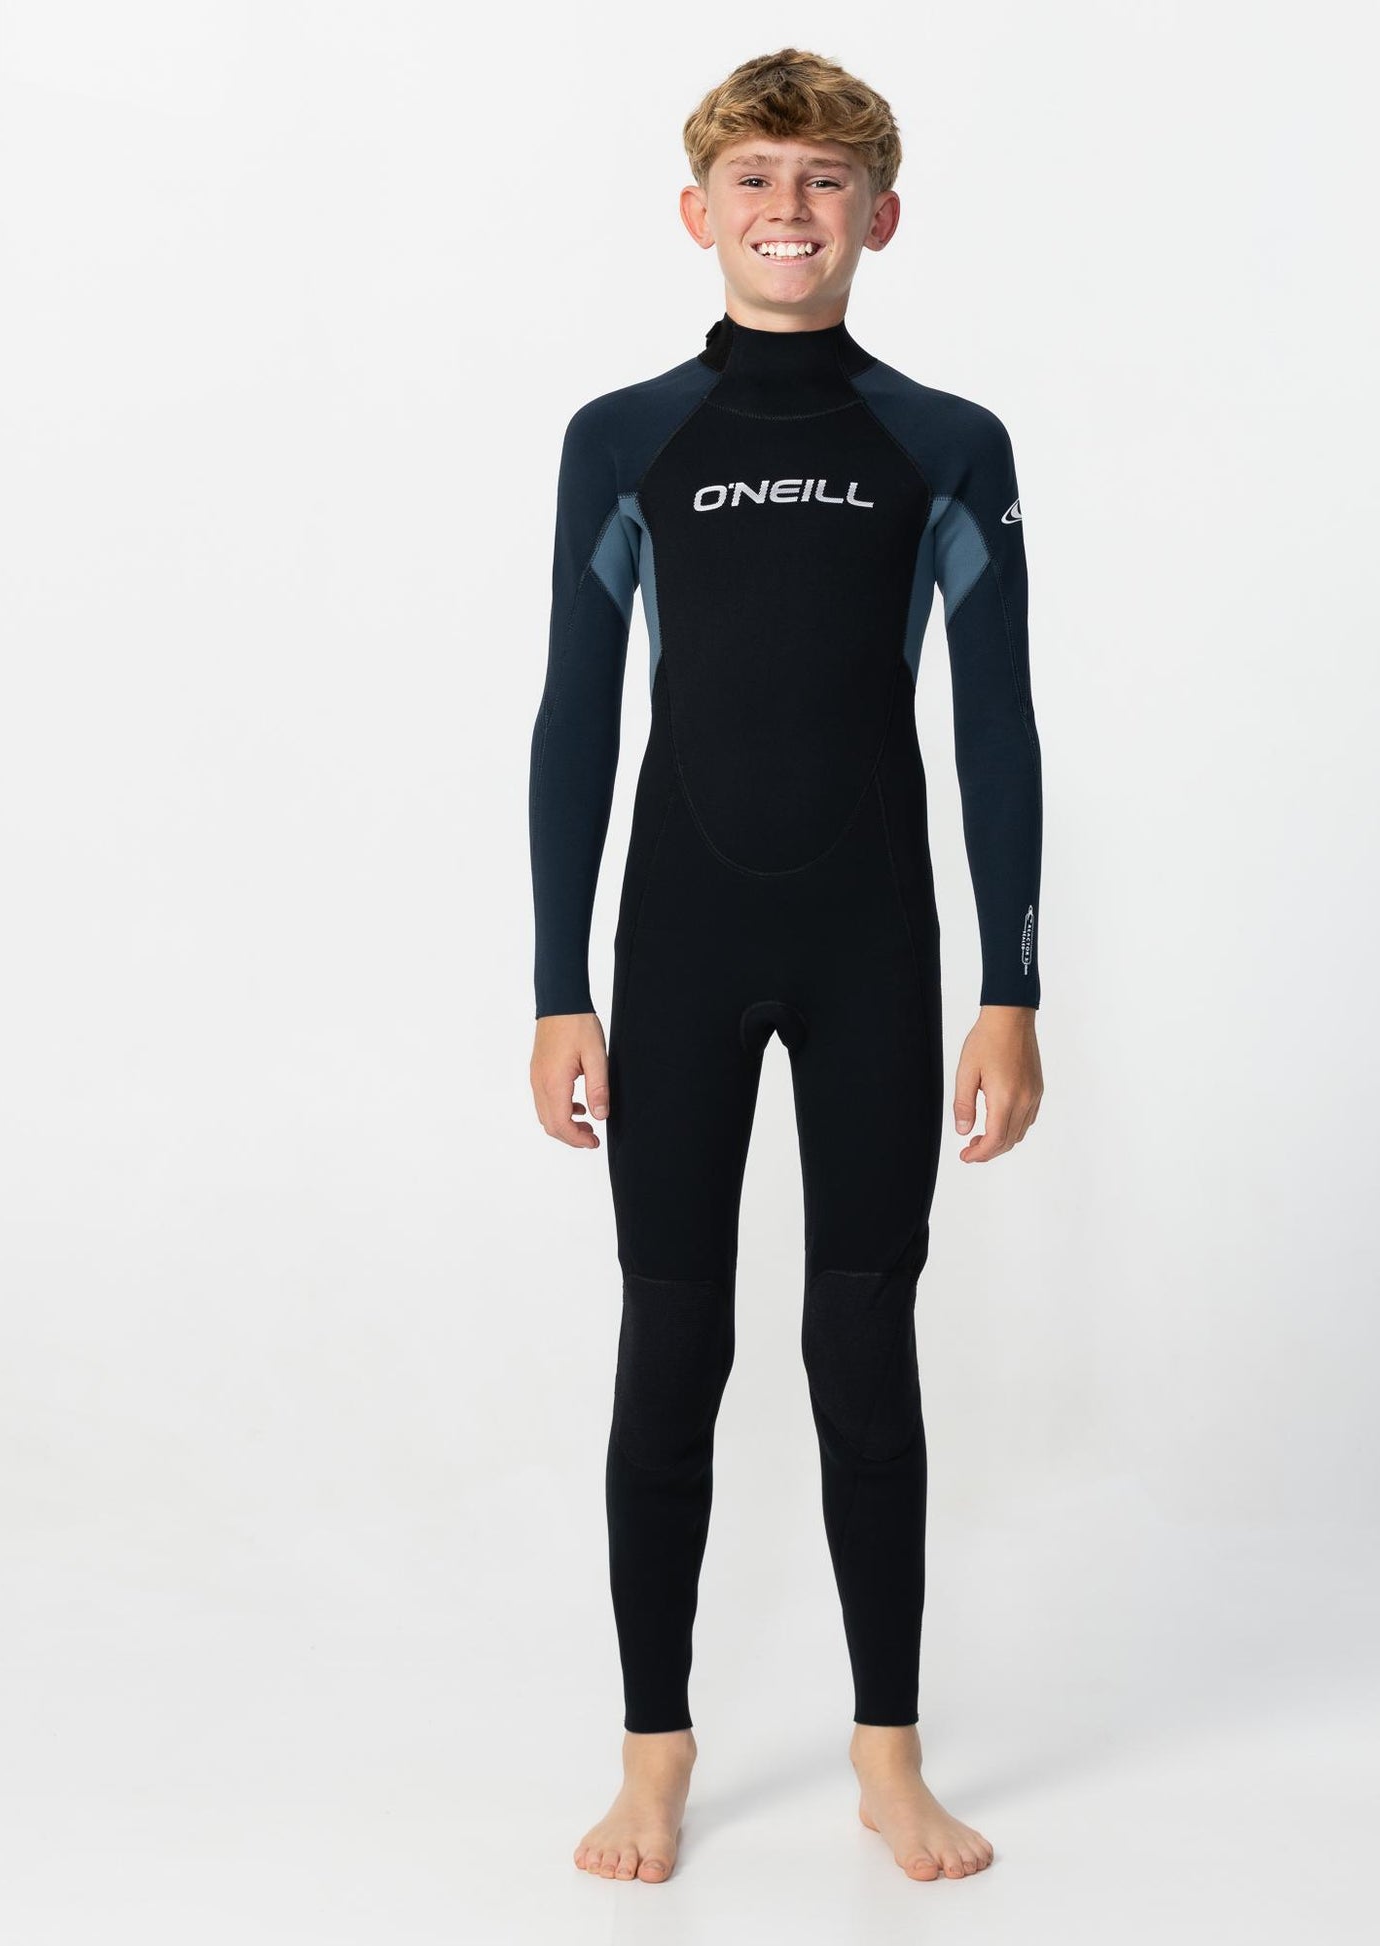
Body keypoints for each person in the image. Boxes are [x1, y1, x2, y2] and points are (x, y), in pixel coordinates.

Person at [527, 46, 1044, 1885]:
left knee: (862, 1346)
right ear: (697, 211)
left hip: (871, 947)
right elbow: (576, 718)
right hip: (675, 943)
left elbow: (997, 728)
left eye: (826, 179)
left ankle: (886, 1757)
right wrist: (556, 981)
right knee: (671, 1344)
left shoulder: (945, 443)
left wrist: (1011, 988)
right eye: (754, 177)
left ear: (881, 216)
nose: (788, 208)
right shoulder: (623, 438)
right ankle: (653, 1753)